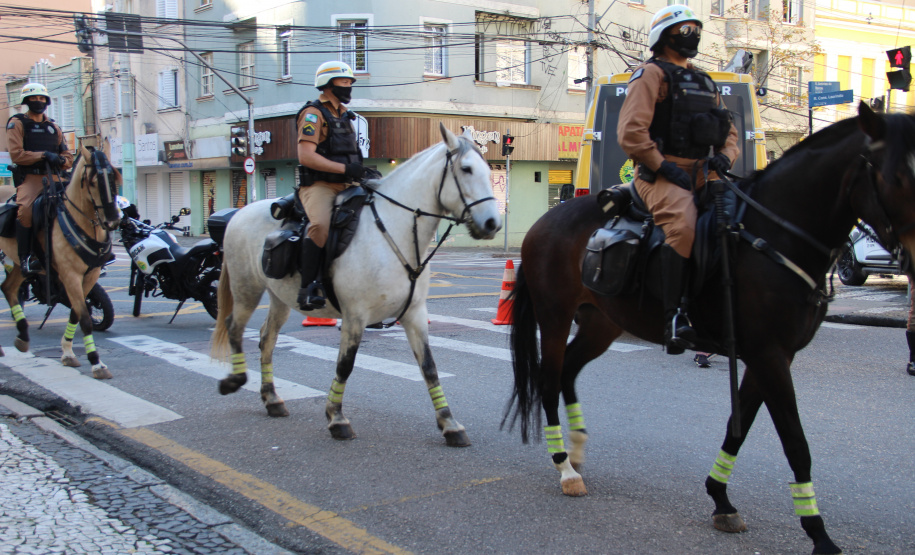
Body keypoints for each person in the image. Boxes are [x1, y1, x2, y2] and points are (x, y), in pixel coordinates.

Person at [617, 5, 740, 355]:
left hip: (706, 172)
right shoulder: (650, 74)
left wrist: (724, 157)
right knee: (683, 226)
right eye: (684, 30)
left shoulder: (704, 80)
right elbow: (631, 132)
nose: (692, 37)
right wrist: (661, 165)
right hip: (660, 175)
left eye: (695, 30)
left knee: (737, 223)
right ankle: (674, 316)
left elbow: (730, 134)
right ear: (664, 36)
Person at [294, 61, 365, 311]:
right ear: (328, 84)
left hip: (348, 184)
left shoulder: (345, 114)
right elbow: (306, 156)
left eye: (349, 83)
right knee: (320, 227)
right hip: (320, 186)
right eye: (343, 82)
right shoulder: (313, 114)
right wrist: (345, 169)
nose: (348, 87)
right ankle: (309, 286)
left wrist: (361, 172)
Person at [6, 83, 73, 276]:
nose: (38, 101)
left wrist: (61, 160)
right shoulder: (17, 123)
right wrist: (43, 155)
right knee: (25, 211)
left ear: (46, 101)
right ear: (27, 101)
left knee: (82, 201)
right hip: (31, 178)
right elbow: (17, 155)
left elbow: (67, 156)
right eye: (34, 99)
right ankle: (25, 257)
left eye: (42, 98)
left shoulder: (54, 127)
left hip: (57, 177)